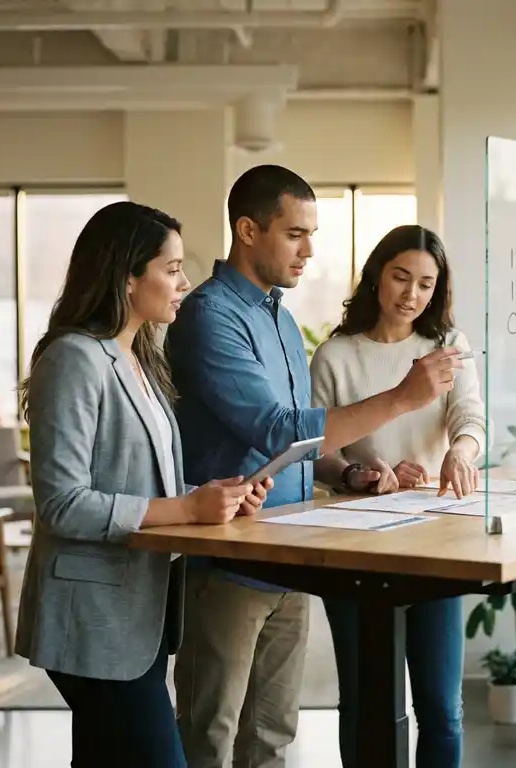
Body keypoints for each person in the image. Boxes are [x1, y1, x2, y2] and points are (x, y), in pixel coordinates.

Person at [165, 164, 463, 768]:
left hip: (291, 558)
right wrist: (403, 398)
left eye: (312, 234)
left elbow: (297, 450)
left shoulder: (279, 317)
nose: (309, 251)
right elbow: (275, 427)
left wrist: (345, 475)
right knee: (210, 737)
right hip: (229, 560)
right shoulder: (208, 316)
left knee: (273, 739)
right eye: (295, 233)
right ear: (248, 231)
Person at [15, 201, 269, 768]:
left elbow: (152, 481)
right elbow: (62, 503)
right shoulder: (75, 359)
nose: (183, 283)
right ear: (128, 277)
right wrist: (184, 508)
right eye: (172, 268)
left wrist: (221, 500)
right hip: (93, 620)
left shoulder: (140, 358)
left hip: (143, 614)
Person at [309, 224, 488, 768]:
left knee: (441, 706)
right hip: (355, 548)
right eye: (401, 278)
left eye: (426, 284)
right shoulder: (335, 356)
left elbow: (471, 418)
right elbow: (316, 451)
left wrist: (461, 451)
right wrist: (357, 473)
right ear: (376, 278)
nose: (412, 294)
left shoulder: (448, 348)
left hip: (434, 544)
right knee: (365, 703)